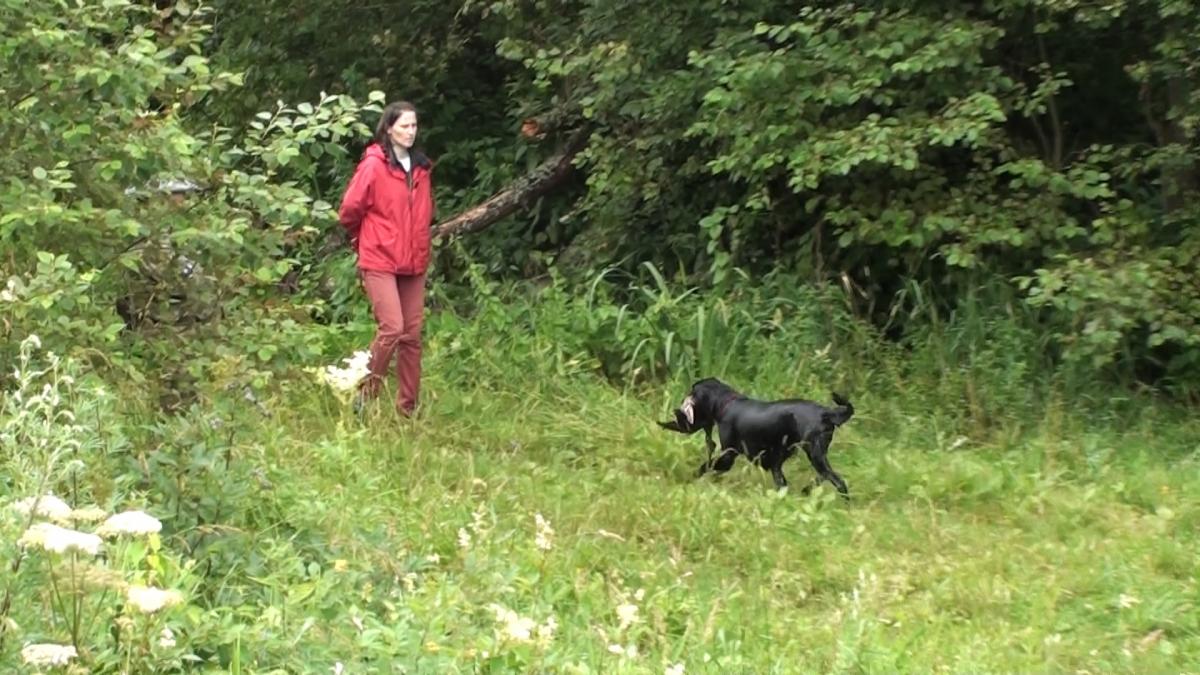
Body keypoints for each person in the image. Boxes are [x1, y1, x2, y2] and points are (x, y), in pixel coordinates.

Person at [337, 101, 435, 417]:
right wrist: (365, 238)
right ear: (389, 128)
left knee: (412, 335)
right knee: (392, 328)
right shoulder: (374, 165)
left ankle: (408, 408)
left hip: (413, 258)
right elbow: (349, 211)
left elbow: (424, 212)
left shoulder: (421, 168)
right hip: (379, 256)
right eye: (404, 126)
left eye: (414, 125)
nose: (411, 131)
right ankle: (365, 397)